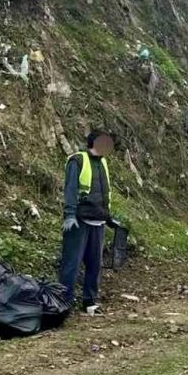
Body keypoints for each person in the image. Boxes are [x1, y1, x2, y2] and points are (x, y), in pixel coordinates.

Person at [60, 130, 115, 314]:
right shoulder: (78, 161)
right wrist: (69, 214)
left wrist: (108, 216)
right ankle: (63, 303)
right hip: (79, 220)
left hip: (98, 221)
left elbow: (104, 192)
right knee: (71, 263)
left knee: (95, 264)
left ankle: (90, 302)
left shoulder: (103, 163)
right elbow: (70, 189)